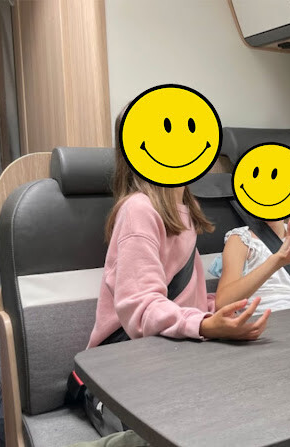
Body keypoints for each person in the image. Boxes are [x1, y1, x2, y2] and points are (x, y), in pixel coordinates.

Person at [81, 112, 270, 440]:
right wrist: (204, 325)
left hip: (176, 353)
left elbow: (185, 297)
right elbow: (142, 308)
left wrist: (215, 313)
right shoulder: (138, 210)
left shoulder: (184, 210)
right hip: (128, 364)